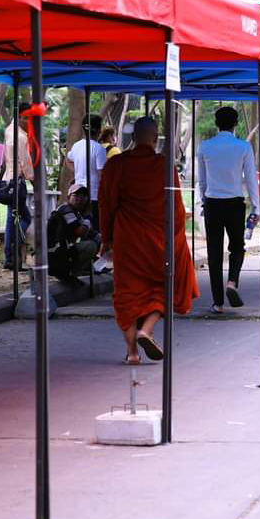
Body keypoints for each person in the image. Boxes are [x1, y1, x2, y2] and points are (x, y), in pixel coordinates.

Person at [99, 116, 198, 365]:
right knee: (161, 286)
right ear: (155, 138)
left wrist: (106, 238)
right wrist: (177, 238)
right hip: (159, 240)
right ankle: (147, 329)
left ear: (133, 138)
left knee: (126, 294)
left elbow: (106, 204)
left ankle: (132, 352)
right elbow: (176, 208)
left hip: (127, 239)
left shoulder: (116, 164)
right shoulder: (165, 165)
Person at [197, 106, 260, 314]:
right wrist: (256, 207)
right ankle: (232, 282)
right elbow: (250, 180)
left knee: (214, 252)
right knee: (237, 246)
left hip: (213, 203)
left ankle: (218, 303)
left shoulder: (204, 147)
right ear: (236, 124)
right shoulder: (243, 147)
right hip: (235, 203)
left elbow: (202, 181)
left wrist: (204, 201)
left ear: (216, 123)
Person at [2, 102, 34, 270]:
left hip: (8, 179)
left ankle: (9, 256)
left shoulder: (9, 130)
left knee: (11, 219)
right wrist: (34, 181)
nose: (29, 121)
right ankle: (13, 253)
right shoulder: (20, 137)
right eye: (28, 118)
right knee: (25, 218)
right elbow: (25, 162)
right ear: (21, 116)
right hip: (17, 181)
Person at [47, 183, 99, 287]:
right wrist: (88, 218)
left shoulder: (76, 213)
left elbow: (90, 233)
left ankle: (79, 270)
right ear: (69, 196)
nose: (80, 199)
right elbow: (80, 231)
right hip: (54, 256)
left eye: (83, 196)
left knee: (96, 240)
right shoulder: (65, 209)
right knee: (90, 246)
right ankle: (73, 272)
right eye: (76, 195)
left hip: (62, 252)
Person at [65, 114, 108, 232]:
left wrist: (78, 171)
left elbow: (68, 160)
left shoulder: (76, 146)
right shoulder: (99, 149)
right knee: (94, 229)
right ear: (99, 130)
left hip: (77, 195)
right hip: (93, 196)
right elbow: (102, 174)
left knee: (83, 228)